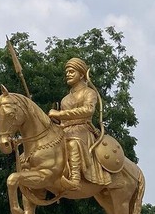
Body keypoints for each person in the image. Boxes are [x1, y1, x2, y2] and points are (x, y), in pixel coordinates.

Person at [47, 57, 111, 189]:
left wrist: (59, 114)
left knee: (72, 143)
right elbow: (62, 121)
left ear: (81, 74)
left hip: (82, 130)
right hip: (64, 130)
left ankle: (75, 178)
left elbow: (88, 110)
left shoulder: (89, 92)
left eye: (71, 71)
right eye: (67, 72)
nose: (68, 74)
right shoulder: (65, 99)